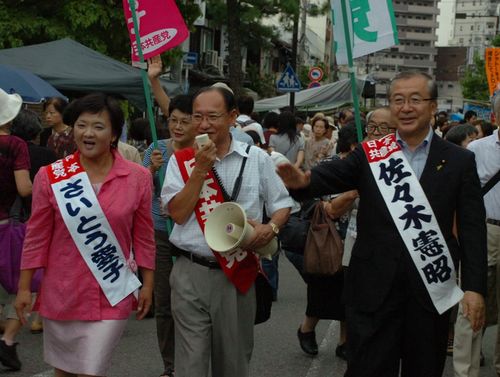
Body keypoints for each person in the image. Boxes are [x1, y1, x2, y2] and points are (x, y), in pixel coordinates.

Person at [277, 71, 487, 377]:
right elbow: (331, 175)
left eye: (415, 99)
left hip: (430, 291)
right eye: (397, 100)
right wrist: (302, 182)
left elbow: (471, 228)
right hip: (373, 290)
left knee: (424, 369)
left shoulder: (458, 160)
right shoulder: (372, 153)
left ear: (432, 106)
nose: (405, 107)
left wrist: (474, 289)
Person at [14, 93, 155, 377]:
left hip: (112, 290)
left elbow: (144, 237)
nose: (88, 133)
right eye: (81, 125)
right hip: (63, 290)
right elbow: (37, 236)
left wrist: (149, 284)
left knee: (91, 370)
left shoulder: (138, 177)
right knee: (64, 371)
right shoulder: (52, 176)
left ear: (114, 133)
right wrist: (24, 287)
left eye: (98, 126)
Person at [161, 85, 292, 377]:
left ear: (233, 116)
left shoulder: (256, 159)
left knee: (232, 364)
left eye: (213, 116)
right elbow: (178, 214)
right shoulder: (180, 161)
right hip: (189, 271)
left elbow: (283, 204)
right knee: (189, 366)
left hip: (236, 272)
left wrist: (270, 228)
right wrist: (199, 171)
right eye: (198, 117)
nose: (204, 125)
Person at [143, 94, 196, 377]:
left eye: (184, 122)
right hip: (161, 234)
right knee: (164, 303)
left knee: (191, 303)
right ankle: (170, 366)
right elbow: (137, 190)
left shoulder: (204, 151)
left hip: (193, 234)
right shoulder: (157, 148)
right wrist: (151, 169)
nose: (177, 127)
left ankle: (195, 361)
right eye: (172, 120)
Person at [463, 95, 500, 377]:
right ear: (496, 117)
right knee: (473, 298)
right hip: (484, 230)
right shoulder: (476, 149)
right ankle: (466, 371)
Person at [0, 89, 31, 371]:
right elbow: (24, 187)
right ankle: (7, 340)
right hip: (4, 227)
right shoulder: (16, 145)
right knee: (21, 286)